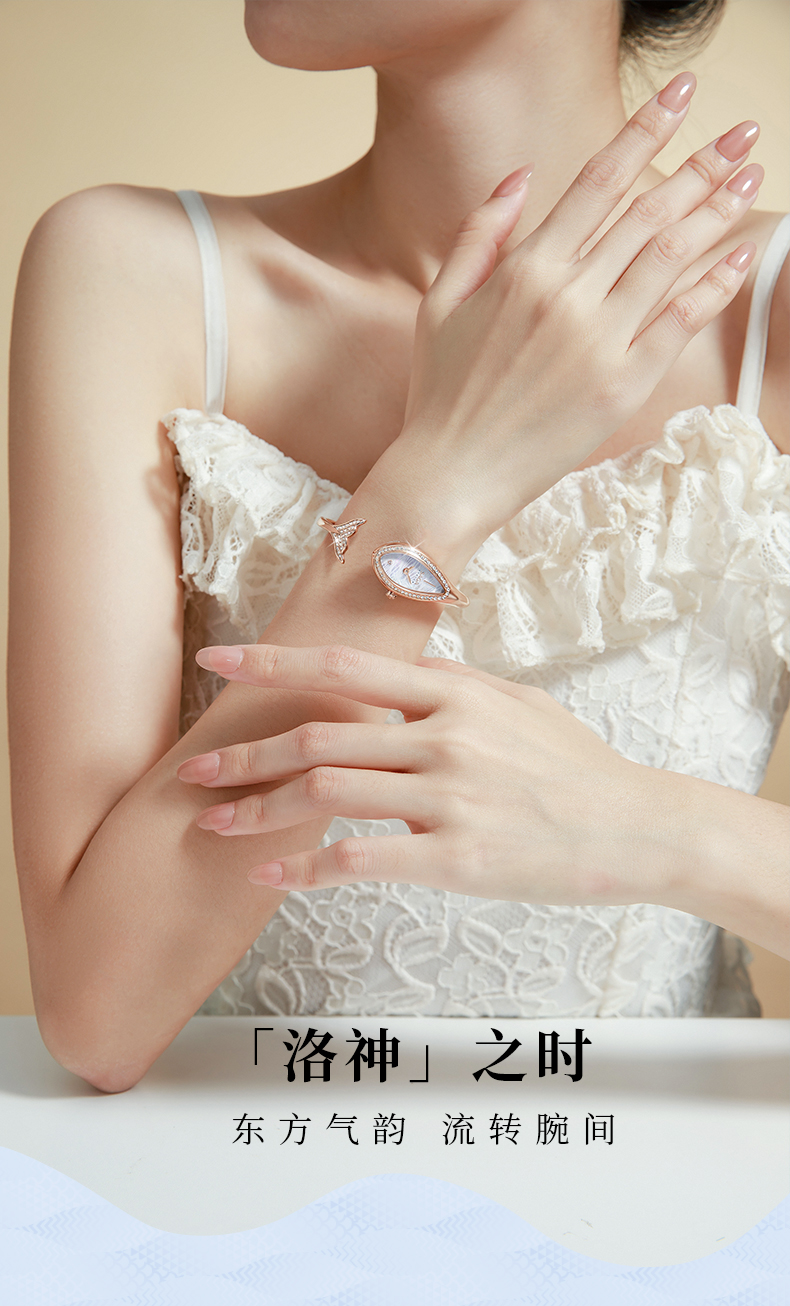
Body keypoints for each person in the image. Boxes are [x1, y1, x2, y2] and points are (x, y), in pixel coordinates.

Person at [8, 0, 788, 1094]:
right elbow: (98, 1017)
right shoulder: (133, 275)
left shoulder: (770, 311)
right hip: (251, 1171)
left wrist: (646, 827)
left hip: (662, 1179)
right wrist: (445, 475)